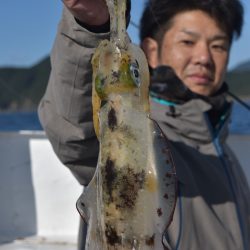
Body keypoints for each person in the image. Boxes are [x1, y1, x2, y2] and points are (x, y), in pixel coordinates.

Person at [38, 0, 250, 249]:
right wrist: (92, 26)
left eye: (218, 45)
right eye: (188, 42)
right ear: (150, 50)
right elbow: (76, 134)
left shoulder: (227, 155)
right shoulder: (130, 134)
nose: (204, 57)